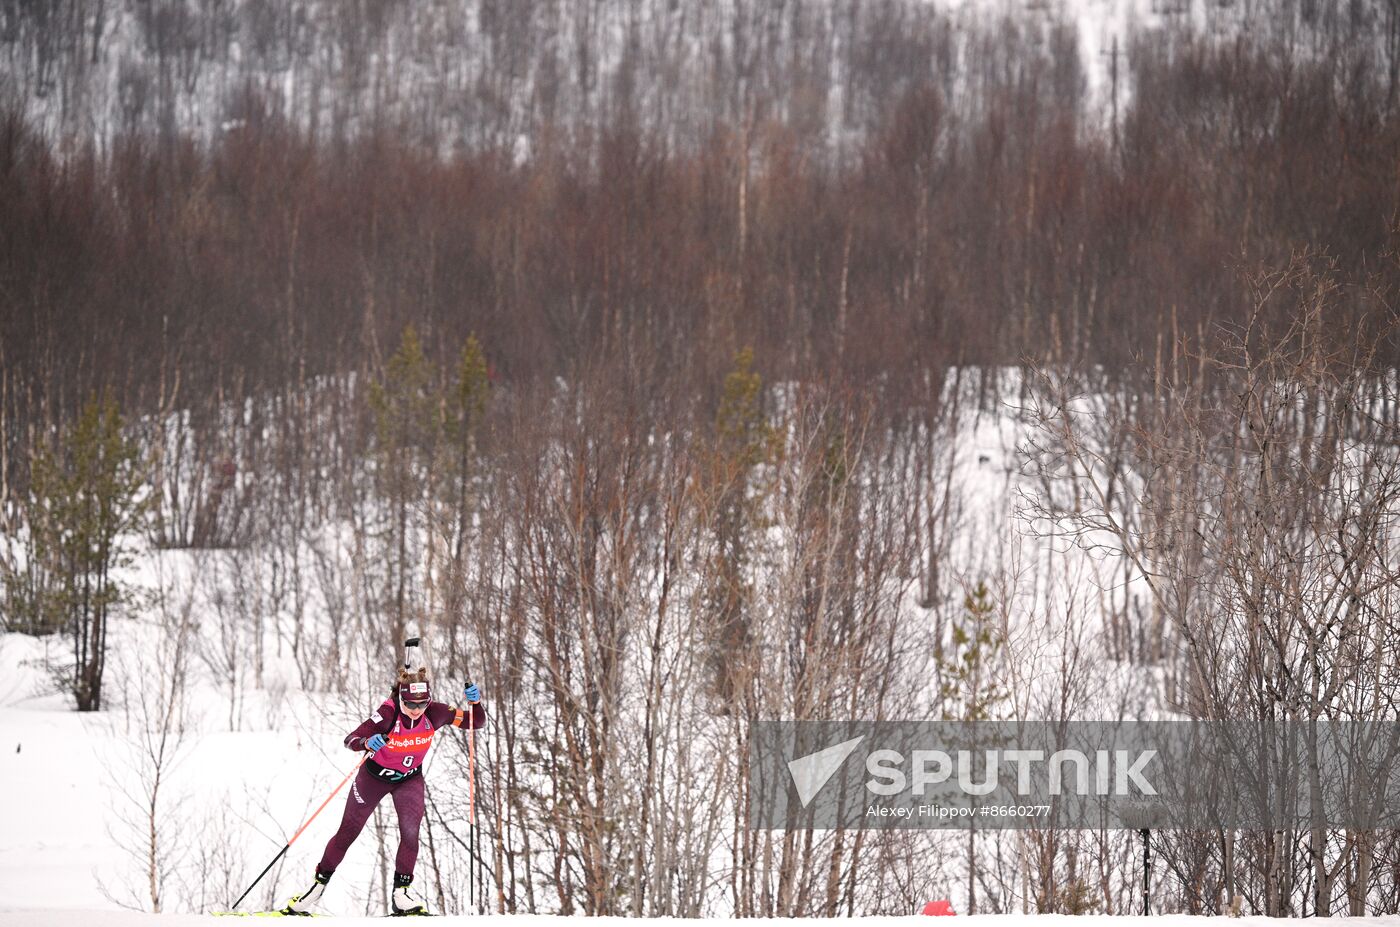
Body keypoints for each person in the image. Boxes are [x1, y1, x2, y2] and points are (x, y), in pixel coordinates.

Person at [284, 670, 486, 916]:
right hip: (373, 779)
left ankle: (401, 894)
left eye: (422, 703)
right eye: (410, 704)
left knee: (411, 834)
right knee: (348, 832)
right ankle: (317, 887)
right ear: (401, 699)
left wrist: (475, 703)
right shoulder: (387, 714)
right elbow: (351, 739)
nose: (416, 709)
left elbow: (476, 722)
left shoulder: (436, 712)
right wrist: (367, 743)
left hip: (409, 779)